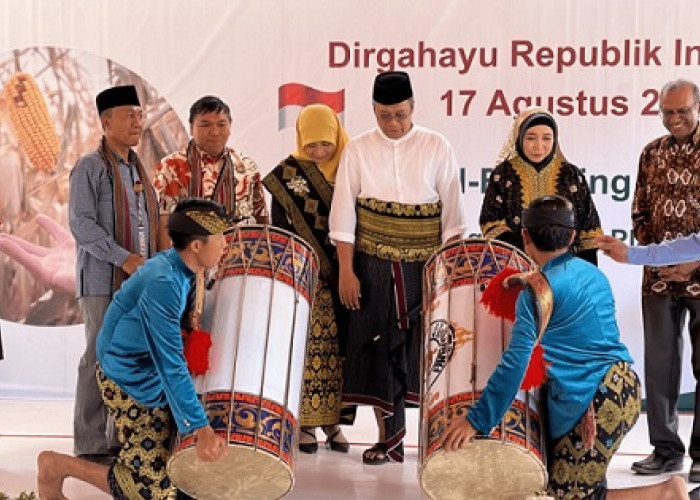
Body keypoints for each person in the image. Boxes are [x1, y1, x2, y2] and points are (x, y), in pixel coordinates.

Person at [441, 195, 689, 500]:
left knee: (563, 496)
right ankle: (666, 492)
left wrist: (475, 419)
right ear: (572, 236)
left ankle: (666, 494)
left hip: (594, 403)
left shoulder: (537, 291)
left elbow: (515, 362)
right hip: (622, 386)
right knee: (574, 487)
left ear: (524, 236)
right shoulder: (593, 274)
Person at [37, 198, 230, 499]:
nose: (224, 244)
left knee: (176, 475)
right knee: (151, 490)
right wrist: (200, 428)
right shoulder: (164, 281)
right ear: (196, 245)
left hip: (144, 366)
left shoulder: (179, 267)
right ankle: (55, 466)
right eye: (219, 237)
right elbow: (170, 363)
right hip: (128, 375)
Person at [328, 71, 468, 464]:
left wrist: (445, 277)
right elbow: (343, 216)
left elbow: (454, 219)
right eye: (385, 115)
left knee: (427, 350)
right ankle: (385, 438)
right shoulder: (357, 149)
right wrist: (346, 270)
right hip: (371, 265)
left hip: (425, 267)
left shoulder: (436, 145)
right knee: (376, 349)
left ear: (413, 108)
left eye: (401, 115)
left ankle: (434, 439)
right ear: (373, 110)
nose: (393, 124)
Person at [68, 85, 159, 463]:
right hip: (104, 282)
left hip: (137, 282)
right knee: (98, 359)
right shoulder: (89, 167)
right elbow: (81, 225)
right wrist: (124, 259)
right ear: (106, 123)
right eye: (128, 115)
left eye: (139, 115)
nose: (138, 121)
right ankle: (89, 445)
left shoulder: (137, 168)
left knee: (128, 358)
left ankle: (119, 438)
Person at [263, 104, 352, 454]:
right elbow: (281, 231)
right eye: (311, 145)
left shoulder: (351, 168)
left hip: (347, 277)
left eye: (325, 145)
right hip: (305, 280)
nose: (318, 153)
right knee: (305, 351)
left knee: (342, 353)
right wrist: (301, 272)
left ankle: (334, 426)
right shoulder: (287, 175)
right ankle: (305, 425)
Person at [628, 78, 700, 479]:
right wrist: (658, 256)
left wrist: (691, 262)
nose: (674, 119)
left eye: (682, 111)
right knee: (660, 365)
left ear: (697, 107)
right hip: (657, 278)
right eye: (667, 112)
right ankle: (665, 449)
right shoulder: (651, 153)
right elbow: (639, 211)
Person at [479, 106, 602, 264]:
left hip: (567, 269)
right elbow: (492, 224)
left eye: (546, 138)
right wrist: (528, 255)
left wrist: (587, 274)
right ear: (519, 137)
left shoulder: (571, 175)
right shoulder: (503, 174)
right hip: (516, 266)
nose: (539, 146)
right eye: (530, 138)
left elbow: (589, 231)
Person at [152, 95, 269, 251]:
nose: (214, 132)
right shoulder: (171, 166)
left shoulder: (247, 166)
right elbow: (164, 220)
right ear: (191, 128)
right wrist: (168, 268)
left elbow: (261, 216)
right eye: (205, 125)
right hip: (189, 258)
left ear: (230, 126)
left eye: (221, 124)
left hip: (239, 259)